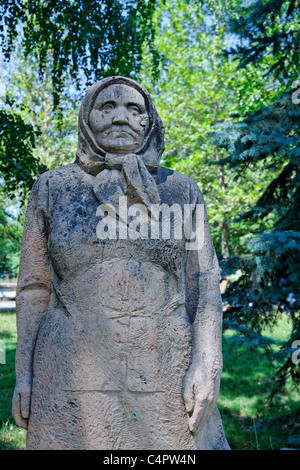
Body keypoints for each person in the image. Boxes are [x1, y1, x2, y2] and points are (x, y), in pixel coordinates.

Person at [12, 76, 229, 450]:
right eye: (106, 107)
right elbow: (34, 288)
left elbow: (205, 283)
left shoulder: (182, 190)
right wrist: (24, 374)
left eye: (134, 109)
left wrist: (207, 363)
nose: (120, 117)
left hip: (164, 367)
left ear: (149, 121)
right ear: (87, 118)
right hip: (68, 370)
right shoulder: (52, 188)